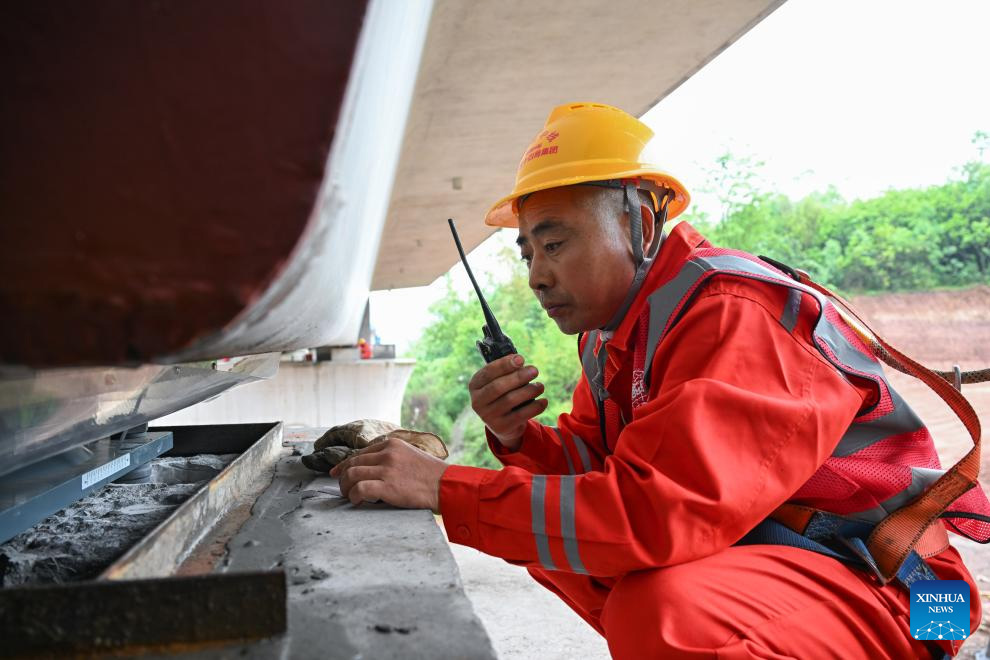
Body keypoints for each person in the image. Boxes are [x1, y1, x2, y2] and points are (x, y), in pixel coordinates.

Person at [332, 103, 989, 658]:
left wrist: (446, 488)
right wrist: (517, 439)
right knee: (558, 545)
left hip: (917, 592)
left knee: (663, 608)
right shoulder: (616, 338)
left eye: (555, 244)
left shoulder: (734, 315)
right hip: (815, 566)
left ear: (640, 223)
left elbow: (654, 514)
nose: (536, 276)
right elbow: (601, 471)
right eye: (527, 252)